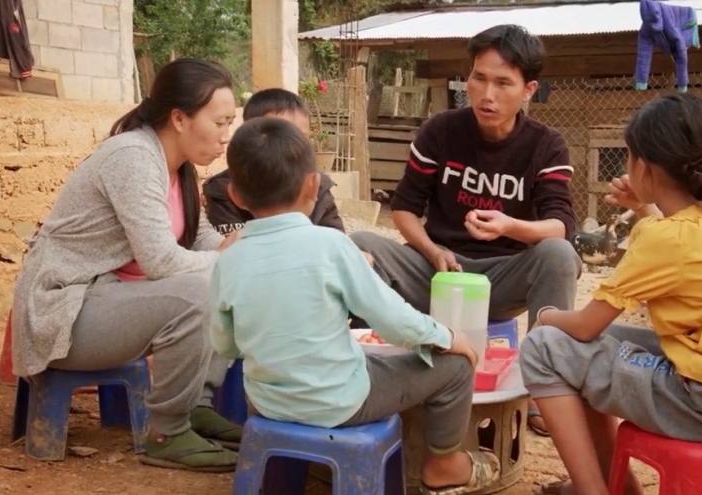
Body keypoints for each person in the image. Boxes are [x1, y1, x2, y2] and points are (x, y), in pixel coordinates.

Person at [519, 93, 702, 495]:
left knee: (545, 346)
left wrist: (547, 314)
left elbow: (584, 327)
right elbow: (679, 246)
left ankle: (592, 490)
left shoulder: (664, 238)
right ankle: (614, 485)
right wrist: (642, 207)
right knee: (585, 350)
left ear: (645, 167)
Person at [209, 117, 502, 495]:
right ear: (313, 184)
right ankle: (444, 464)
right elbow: (394, 321)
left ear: (235, 195)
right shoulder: (331, 246)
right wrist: (448, 337)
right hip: (341, 403)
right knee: (456, 366)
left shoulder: (228, 260)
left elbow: (225, 345)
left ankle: (281, 477)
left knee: (362, 360)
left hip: (268, 404)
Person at [10, 58, 245, 472]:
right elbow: (160, 260)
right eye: (221, 122)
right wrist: (222, 261)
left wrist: (239, 246)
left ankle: (195, 407)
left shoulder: (179, 168)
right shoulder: (134, 158)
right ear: (179, 118)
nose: (227, 136)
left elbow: (198, 237)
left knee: (225, 277)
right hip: (61, 310)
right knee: (199, 290)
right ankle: (167, 432)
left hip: (102, 298)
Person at [349, 24, 581, 437]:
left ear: (529, 90)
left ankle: (545, 390)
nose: (487, 94)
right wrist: (433, 250)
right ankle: (357, 373)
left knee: (559, 255)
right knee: (361, 245)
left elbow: (559, 226)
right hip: (439, 271)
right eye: (478, 78)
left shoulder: (547, 145)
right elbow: (404, 210)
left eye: (503, 83)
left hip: (503, 278)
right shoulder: (441, 131)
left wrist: (511, 226)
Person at [202, 88, 344, 235]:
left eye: (301, 138)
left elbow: (336, 235)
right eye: (280, 138)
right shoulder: (224, 190)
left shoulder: (316, 184)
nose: (292, 147)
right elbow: (231, 247)